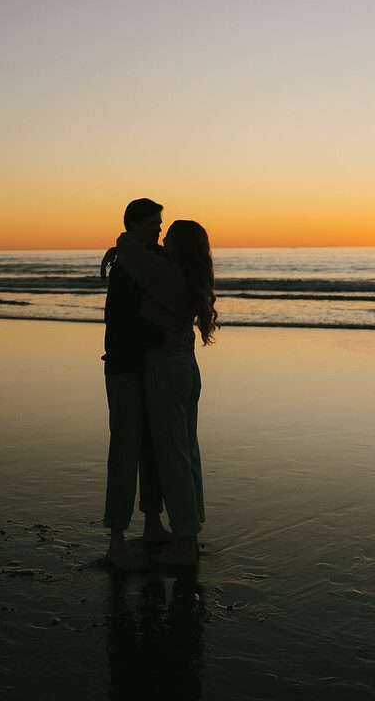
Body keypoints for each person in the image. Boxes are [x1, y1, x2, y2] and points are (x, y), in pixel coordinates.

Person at [115, 219, 218, 566]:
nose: (162, 239)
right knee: (187, 451)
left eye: (168, 237)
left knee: (171, 456)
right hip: (187, 367)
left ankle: (185, 540)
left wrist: (120, 244)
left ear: (179, 246)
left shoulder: (165, 276)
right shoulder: (189, 275)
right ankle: (190, 529)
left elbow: (129, 248)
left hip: (164, 368)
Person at [101, 198, 172, 569]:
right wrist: (157, 335)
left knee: (151, 447)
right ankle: (116, 540)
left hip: (146, 366)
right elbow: (119, 319)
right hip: (125, 367)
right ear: (133, 225)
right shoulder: (126, 267)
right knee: (126, 450)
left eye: (159, 223)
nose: (159, 229)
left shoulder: (142, 258)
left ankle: (152, 523)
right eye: (152, 224)